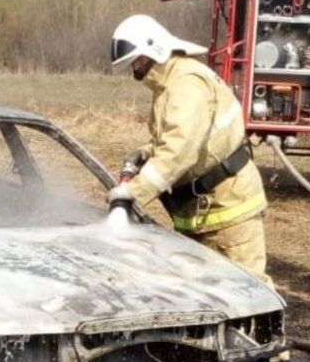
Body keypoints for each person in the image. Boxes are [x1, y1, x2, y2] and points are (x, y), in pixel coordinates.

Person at [108, 14, 272, 286]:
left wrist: (132, 194)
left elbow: (179, 151)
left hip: (229, 208)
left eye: (137, 60)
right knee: (204, 295)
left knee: (247, 292)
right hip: (202, 209)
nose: (135, 68)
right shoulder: (169, 84)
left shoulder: (186, 83)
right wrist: (147, 152)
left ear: (154, 49)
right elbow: (184, 135)